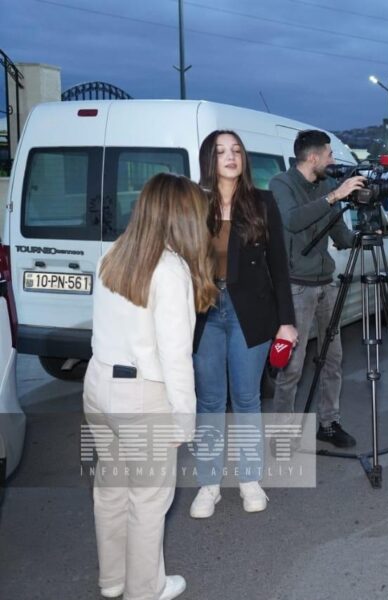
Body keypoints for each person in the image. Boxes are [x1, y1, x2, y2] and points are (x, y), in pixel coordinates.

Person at [84, 173, 218, 600]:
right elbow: (176, 357)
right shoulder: (171, 269)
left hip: (98, 384)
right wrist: (185, 420)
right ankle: (145, 590)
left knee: (110, 488)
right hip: (143, 394)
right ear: (182, 217)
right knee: (148, 499)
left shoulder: (113, 254)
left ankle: (113, 581)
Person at [190, 130, 297, 519]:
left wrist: (287, 322)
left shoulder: (262, 202)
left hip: (250, 312)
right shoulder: (194, 203)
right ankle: (209, 484)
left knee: (248, 398)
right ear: (209, 159)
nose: (230, 157)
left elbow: (280, 268)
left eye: (236, 150)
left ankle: (250, 479)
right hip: (205, 311)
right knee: (210, 401)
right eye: (221, 151)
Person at [269, 129, 368, 450]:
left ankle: (329, 423)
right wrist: (334, 196)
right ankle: (282, 434)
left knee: (333, 359)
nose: (332, 160)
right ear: (312, 157)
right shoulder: (282, 184)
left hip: (326, 284)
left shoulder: (325, 186)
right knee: (292, 366)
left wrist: (367, 235)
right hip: (297, 287)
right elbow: (292, 221)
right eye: (328, 155)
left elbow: (339, 234)